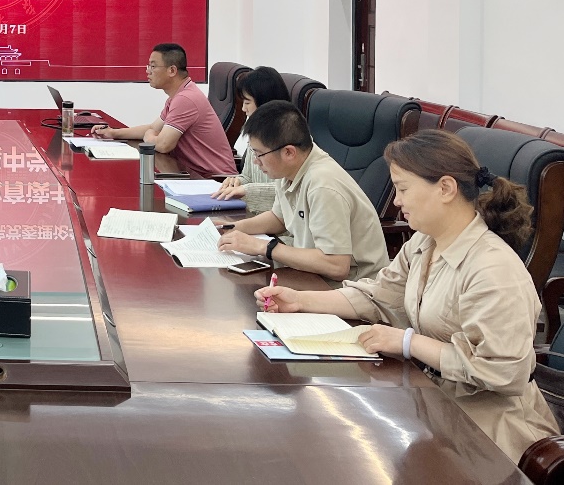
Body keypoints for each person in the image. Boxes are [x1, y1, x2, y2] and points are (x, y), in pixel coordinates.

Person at [255, 130, 559, 460]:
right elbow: (379, 295)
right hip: (433, 403)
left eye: (403, 189)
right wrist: (301, 300)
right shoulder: (424, 242)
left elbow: (500, 372)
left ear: (445, 188)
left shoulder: (493, 269)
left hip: (489, 431)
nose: (397, 201)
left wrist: (407, 342)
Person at [217, 100, 388, 281]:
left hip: (355, 286)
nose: (255, 161)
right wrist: (231, 228)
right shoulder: (290, 168)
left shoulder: (322, 185)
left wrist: (262, 247)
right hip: (314, 276)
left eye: (259, 154)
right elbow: (279, 218)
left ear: (289, 152)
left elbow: (336, 266)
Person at [90, 42, 236, 178]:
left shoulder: (186, 99)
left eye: (153, 66)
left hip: (215, 182)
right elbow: (154, 128)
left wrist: (149, 136)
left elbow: (163, 145)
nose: (148, 71)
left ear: (172, 70)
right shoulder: (178, 95)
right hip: (193, 175)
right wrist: (113, 133)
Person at [211, 66, 291, 213]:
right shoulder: (256, 132)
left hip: (281, 221)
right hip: (255, 214)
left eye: (247, 102)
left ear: (264, 101)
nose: (243, 109)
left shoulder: (290, 136)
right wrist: (237, 181)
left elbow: (290, 189)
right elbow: (248, 176)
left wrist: (246, 190)